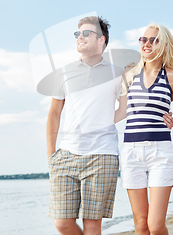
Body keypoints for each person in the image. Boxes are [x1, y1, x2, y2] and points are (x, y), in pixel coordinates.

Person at [46, 16, 123, 235]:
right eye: (78, 34)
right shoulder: (64, 72)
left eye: (86, 33)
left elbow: (126, 108)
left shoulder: (118, 73)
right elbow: (54, 114)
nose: (80, 37)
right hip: (66, 154)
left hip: (103, 154)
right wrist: (51, 154)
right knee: (62, 223)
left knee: (92, 224)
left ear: (101, 40)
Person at [114, 23, 173, 235]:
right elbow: (121, 112)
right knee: (141, 225)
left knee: (155, 225)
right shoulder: (129, 75)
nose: (146, 43)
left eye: (153, 40)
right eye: (143, 39)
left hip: (160, 152)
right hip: (131, 152)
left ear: (164, 45)